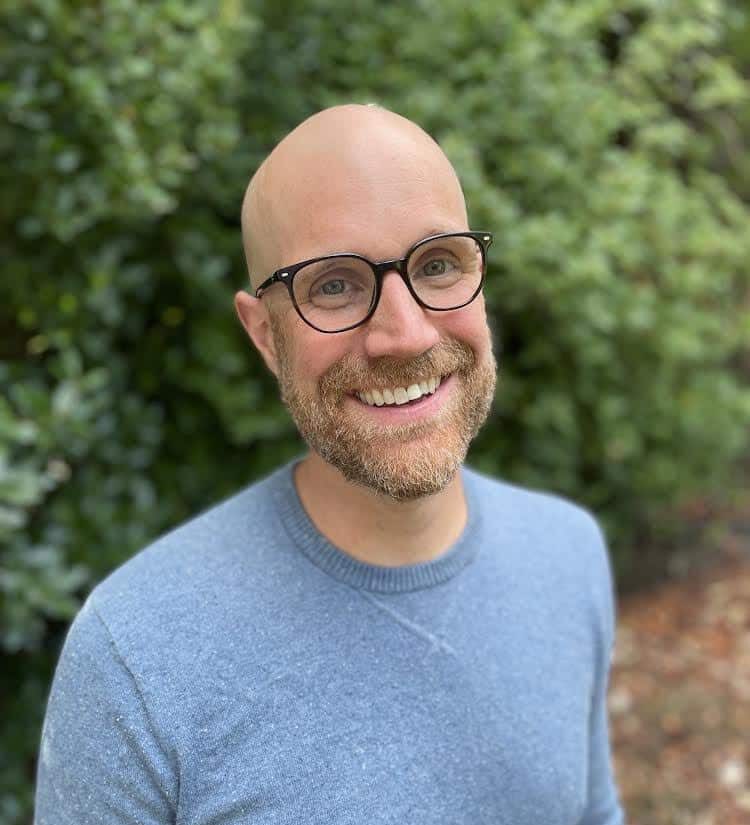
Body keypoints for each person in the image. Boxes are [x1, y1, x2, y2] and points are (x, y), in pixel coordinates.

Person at [34, 104, 625, 824]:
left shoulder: (568, 554)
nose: (405, 334)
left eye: (438, 264)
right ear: (265, 335)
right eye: (334, 285)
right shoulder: (134, 658)